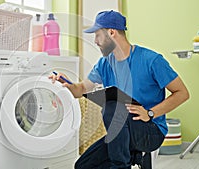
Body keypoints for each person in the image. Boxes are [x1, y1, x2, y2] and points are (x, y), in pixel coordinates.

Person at [50, 10, 189, 169]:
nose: (95, 41)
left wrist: (150, 113)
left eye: (97, 35)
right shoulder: (104, 63)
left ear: (111, 32)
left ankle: (122, 165)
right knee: (83, 165)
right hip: (121, 134)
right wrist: (66, 84)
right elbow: (81, 89)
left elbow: (182, 93)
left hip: (150, 130)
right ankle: (133, 158)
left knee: (112, 106)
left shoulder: (151, 60)